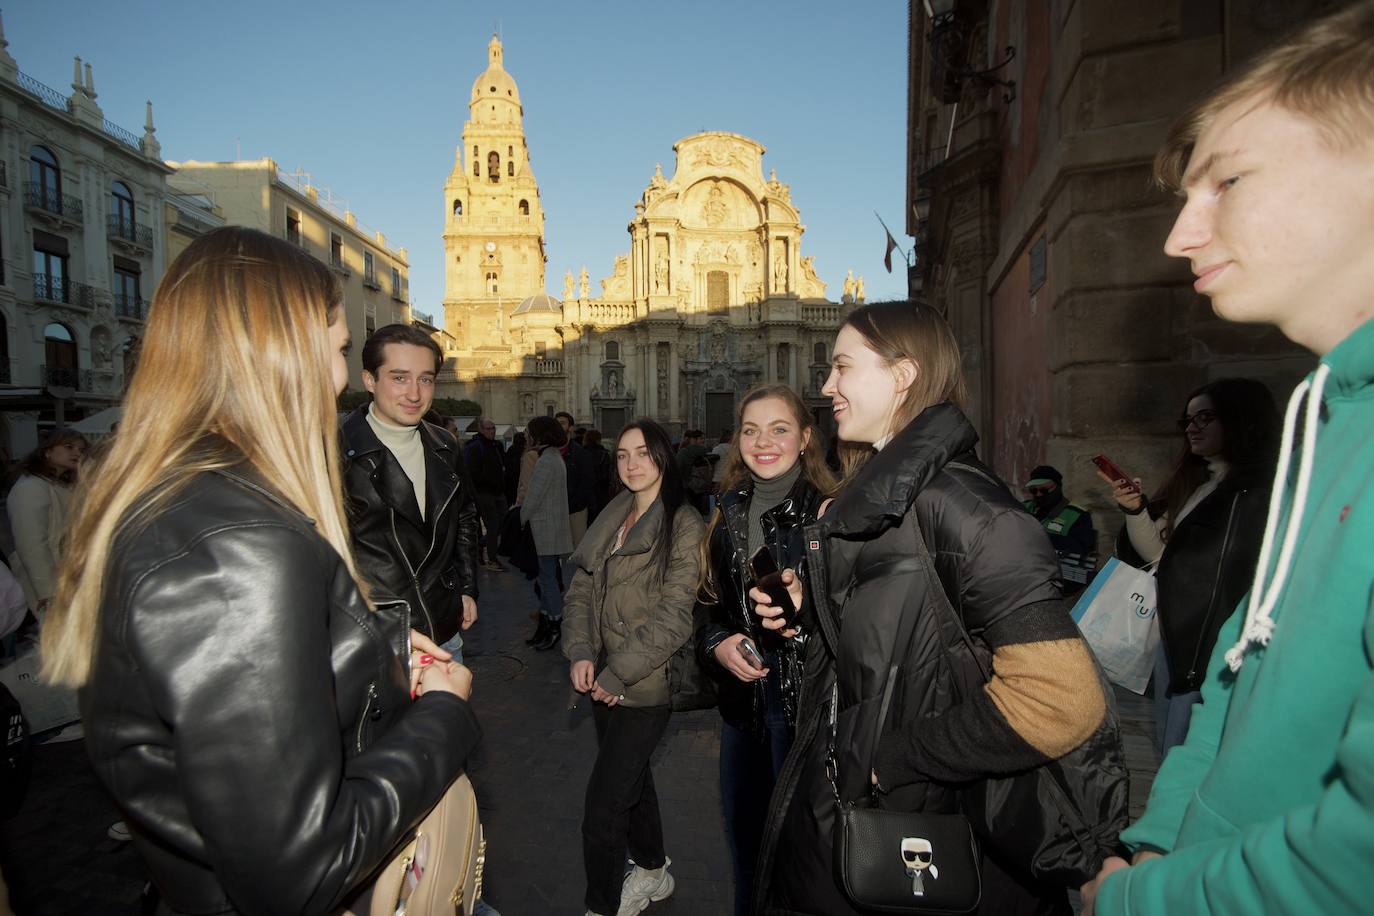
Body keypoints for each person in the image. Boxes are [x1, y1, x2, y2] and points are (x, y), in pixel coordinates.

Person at [40, 227, 479, 914]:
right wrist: (447, 717)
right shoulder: (241, 540)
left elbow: (231, 685)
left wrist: (383, 645)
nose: (339, 380)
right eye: (336, 351)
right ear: (275, 352)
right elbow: (298, 869)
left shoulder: (184, 496)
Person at [1081, 6, 1374, 913]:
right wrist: (1159, 840)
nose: (1179, 236)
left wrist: (1137, 902)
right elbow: (1232, 683)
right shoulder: (1326, 421)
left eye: (1229, 181)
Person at [753, 301, 1108, 915]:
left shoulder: (971, 509)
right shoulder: (884, 499)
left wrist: (895, 758)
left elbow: (1060, 698)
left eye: (841, 368)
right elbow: (911, 635)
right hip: (850, 819)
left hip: (924, 839)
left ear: (903, 375)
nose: (825, 386)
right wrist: (818, 608)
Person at [694, 385, 835, 916]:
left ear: (804, 439)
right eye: (750, 430)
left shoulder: (832, 514)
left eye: (779, 429)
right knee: (746, 843)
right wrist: (718, 641)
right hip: (743, 703)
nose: (763, 441)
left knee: (804, 853)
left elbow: (865, 617)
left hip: (809, 706)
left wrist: (813, 607)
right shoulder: (728, 510)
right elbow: (708, 605)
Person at [561, 418, 704, 916]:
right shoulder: (614, 514)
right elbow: (582, 587)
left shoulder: (683, 523)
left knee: (602, 811)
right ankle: (651, 869)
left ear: (663, 455)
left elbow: (674, 618)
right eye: (622, 455)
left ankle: (599, 907)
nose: (631, 464)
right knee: (633, 781)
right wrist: (580, 650)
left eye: (642, 453)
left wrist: (617, 673)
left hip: (644, 684)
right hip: (603, 673)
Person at [1099, 378, 1279, 755]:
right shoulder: (1199, 483)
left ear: (1241, 419)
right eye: (1188, 420)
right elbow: (1162, 556)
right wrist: (1134, 510)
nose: (1192, 428)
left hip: (1211, 649)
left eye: (1205, 417)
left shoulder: (1258, 491)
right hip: (1176, 640)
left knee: (1193, 750)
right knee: (1172, 746)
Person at [342, 324, 480, 662]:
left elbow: (464, 516)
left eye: (426, 379)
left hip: (444, 634)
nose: (415, 394)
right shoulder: (336, 451)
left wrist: (466, 587)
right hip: (377, 641)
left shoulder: (444, 445)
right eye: (400, 378)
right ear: (369, 380)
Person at [6, 429, 87, 624]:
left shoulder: (60, 484)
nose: (76, 452)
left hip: (67, 576)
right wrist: (47, 591)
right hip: (49, 581)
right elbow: (31, 543)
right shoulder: (32, 487)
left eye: (80, 449)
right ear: (47, 451)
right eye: (68, 447)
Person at [522, 415, 573, 650]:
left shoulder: (545, 461)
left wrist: (519, 519)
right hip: (551, 530)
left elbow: (533, 498)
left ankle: (553, 626)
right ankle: (545, 625)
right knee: (546, 579)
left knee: (548, 580)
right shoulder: (554, 458)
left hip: (545, 531)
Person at [465, 416, 509, 571]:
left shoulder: (496, 446)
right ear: (481, 430)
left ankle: (481, 544)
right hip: (485, 493)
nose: (492, 431)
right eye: (488, 429)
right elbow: (472, 472)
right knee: (493, 525)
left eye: (493, 428)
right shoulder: (476, 447)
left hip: (498, 492)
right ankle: (492, 558)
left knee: (503, 523)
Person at [1023, 464, 1096, 555]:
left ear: (1057, 487)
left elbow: (1083, 549)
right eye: (1033, 491)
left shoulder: (1077, 514)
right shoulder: (1022, 508)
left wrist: (1046, 537)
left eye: (1044, 490)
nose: (1038, 494)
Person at [556, 411, 595, 545]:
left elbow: (587, 482)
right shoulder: (548, 452)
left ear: (570, 427)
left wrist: (573, 504)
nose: (558, 427)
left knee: (577, 548)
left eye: (562, 423)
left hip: (575, 510)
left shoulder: (580, 453)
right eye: (556, 423)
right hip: (555, 510)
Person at [582, 428, 613, 521]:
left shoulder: (581, 453)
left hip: (585, 494)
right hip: (601, 493)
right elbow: (608, 475)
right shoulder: (604, 454)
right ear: (599, 440)